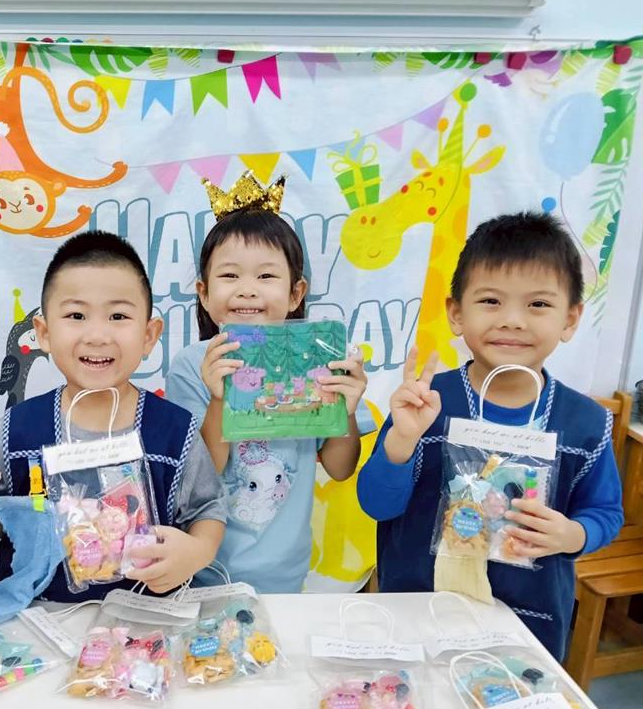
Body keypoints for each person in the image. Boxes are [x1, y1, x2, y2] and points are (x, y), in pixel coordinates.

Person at [357, 211, 623, 659]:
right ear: (456, 313)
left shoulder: (585, 423)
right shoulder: (426, 403)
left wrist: (573, 536)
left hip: (526, 628)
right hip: (416, 615)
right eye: (491, 301)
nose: (513, 320)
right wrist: (402, 440)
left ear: (571, 318)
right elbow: (376, 505)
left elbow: (605, 513)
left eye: (538, 305)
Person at [0, 230, 227, 600]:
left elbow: (208, 507)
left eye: (118, 316)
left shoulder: (176, 432)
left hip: (149, 622)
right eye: (76, 315)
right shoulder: (16, 431)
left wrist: (198, 551)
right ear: (44, 333)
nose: (97, 335)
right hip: (39, 621)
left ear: (149, 335)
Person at [166, 174, 371, 593]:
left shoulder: (318, 358)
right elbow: (199, 475)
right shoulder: (191, 366)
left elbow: (339, 467)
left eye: (265, 276)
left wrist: (345, 411)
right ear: (204, 293)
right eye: (229, 276)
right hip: (204, 573)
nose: (247, 291)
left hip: (287, 574)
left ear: (296, 293)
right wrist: (219, 400)